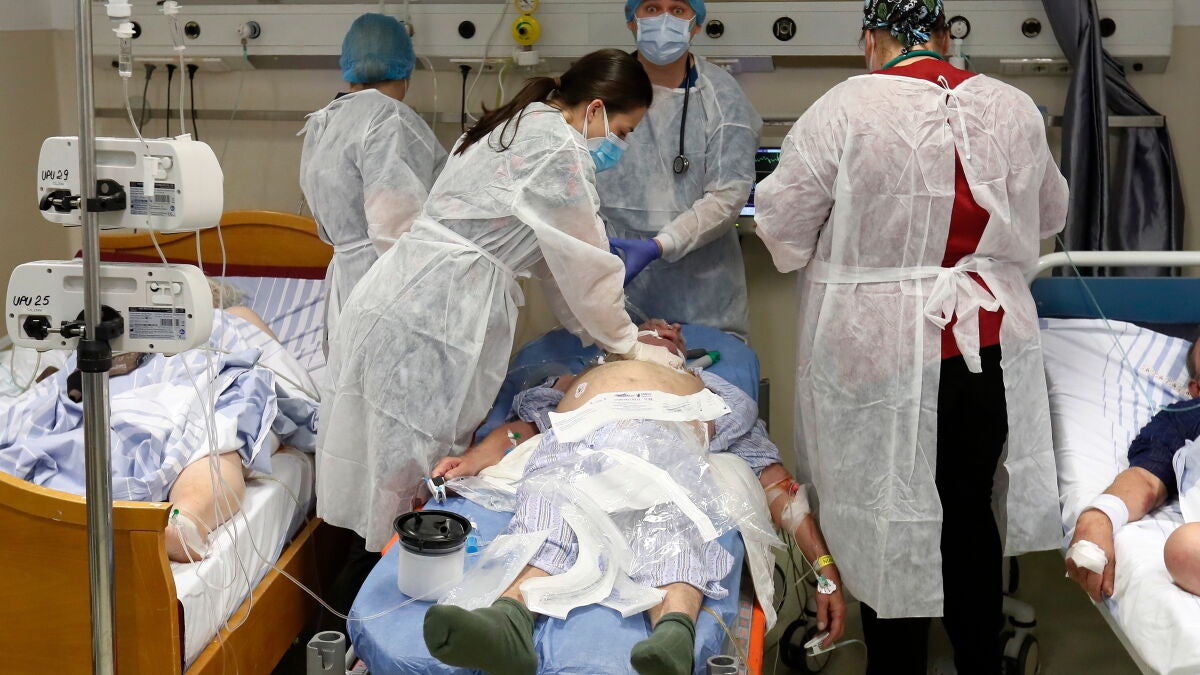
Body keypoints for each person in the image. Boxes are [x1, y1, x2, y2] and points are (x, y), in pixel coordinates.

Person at [752, 1, 1070, 672]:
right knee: (969, 508)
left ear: (872, 40)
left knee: (885, 517)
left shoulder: (845, 108)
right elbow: (1049, 214)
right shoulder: (1013, 108)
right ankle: (979, 658)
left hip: (881, 353)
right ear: (944, 37)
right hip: (986, 348)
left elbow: (781, 232)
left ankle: (895, 664)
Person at [317, 49, 682, 564]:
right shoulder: (558, 148)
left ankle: (379, 575)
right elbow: (585, 266)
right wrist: (629, 344)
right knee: (408, 471)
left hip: (402, 296)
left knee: (389, 464)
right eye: (622, 131)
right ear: (596, 109)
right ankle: (391, 582)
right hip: (431, 314)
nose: (617, 145)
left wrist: (612, 335)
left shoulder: (516, 124)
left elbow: (560, 266)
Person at [423, 334, 844, 675]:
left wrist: (825, 570)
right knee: (546, 502)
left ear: (683, 353)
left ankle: (673, 634)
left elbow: (779, 485)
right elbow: (521, 431)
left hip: (666, 437)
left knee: (675, 516)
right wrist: (473, 460)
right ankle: (508, 622)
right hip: (576, 439)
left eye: (674, 334)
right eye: (650, 327)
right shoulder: (583, 375)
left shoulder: (711, 388)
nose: (664, 329)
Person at [598, 0, 762, 338]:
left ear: (696, 23)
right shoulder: (600, 91)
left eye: (677, 10)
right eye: (651, 8)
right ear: (632, 20)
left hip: (702, 294)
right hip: (610, 280)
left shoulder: (721, 96)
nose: (663, 20)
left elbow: (728, 194)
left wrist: (662, 244)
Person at [300, 13, 447, 346]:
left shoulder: (326, 121)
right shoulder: (389, 119)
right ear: (405, 70)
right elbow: (396, 226)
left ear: (348, 66)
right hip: (387, 287)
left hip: (347, 284)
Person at [1067, 340, 1200, 599]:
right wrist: (1098, 517)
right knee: (1184, 548)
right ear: (1196, 389)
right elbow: (1146, 478)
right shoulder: (1186, 417)